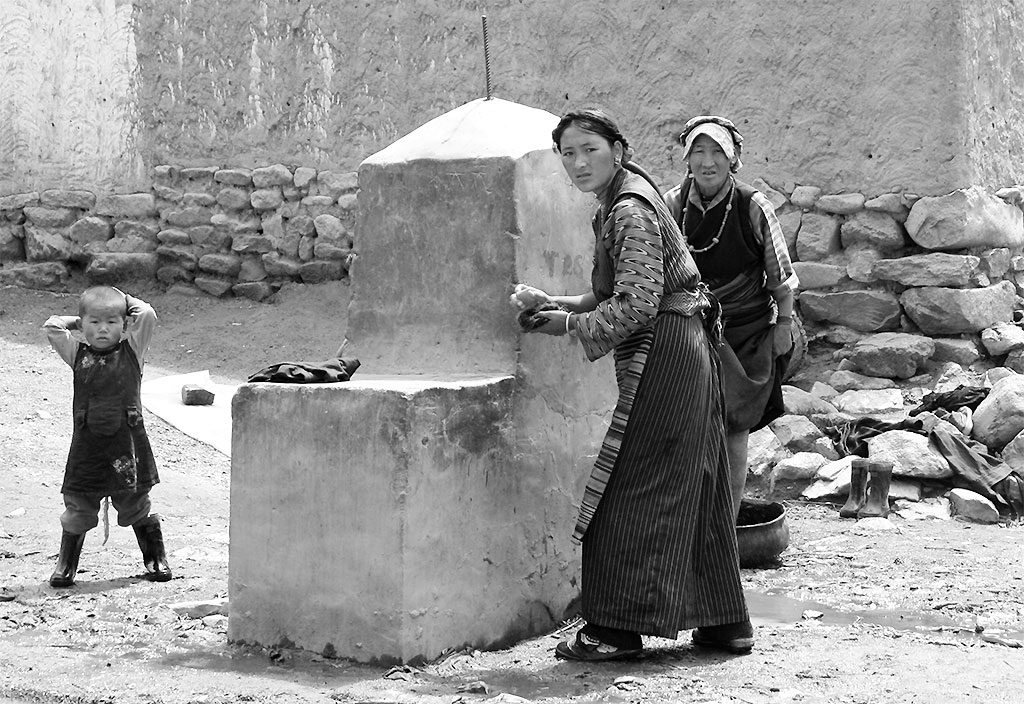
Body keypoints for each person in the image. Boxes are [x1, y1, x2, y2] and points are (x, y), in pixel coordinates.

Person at [511, 108, 752, 661]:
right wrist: (558, 306)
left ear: (618, 149)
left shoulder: (629, 209)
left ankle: (616, 631)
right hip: (683, 348)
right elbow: (623, 293)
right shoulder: (627, 201)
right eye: (568, 153)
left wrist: (571, 326)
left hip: (667, 356)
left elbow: (640, 305)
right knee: (694, 484)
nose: (578, 163)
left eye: (589, 149)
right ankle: (721, 621)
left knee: (629, 491)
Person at [663, 115, 799, 519]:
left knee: (734, 425)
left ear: (733, 157)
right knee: (691, 424)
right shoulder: (672, 205)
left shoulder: (753, 205)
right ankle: (694, 518)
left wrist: (784, 325)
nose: (708, 162)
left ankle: (727, 518)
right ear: (687, 159)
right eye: (698, 152)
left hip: (747, 330)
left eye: (717, 151)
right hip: (694, 328)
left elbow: (780, 273)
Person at [43, 286, 172, 587]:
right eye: (95, 323)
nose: (103, 329)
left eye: (112, 322)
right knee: (78, 502)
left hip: (125, 445)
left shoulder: (133, 350)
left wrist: (122, 300)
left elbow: (148, 314)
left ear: (125, 325)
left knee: (135, 501)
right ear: (84, 325)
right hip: (88, 447)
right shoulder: (77, 353)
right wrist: (81, 318)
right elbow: (52, 326)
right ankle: (66, 566)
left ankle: (156, 559)